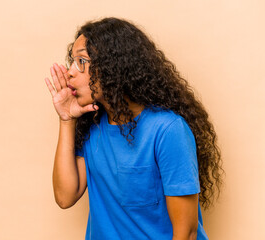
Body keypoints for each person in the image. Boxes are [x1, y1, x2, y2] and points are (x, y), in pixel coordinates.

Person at [45, 17, 223, 240]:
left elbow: (186, 233)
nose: (70, 71)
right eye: (72, 61)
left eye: (82, 61)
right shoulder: (92, 126)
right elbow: (65, 197)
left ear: (113, 66)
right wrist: (66, 119)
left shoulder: (167, 129)